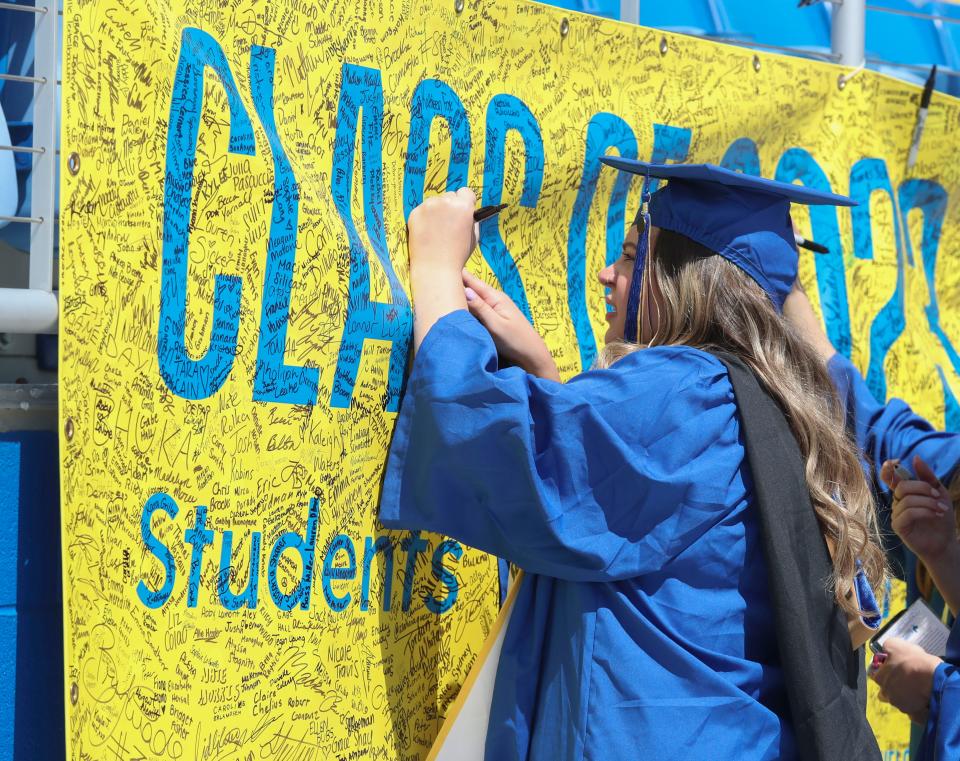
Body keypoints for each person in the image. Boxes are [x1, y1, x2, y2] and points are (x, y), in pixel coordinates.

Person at [380, 161, 887, 760]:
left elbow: (494, 448)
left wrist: (437, 270)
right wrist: (547, 381)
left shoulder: (686, 392)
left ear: (674, 275)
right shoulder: (788, 407)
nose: (607, 274)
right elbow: (625, 517)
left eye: (629, 255)